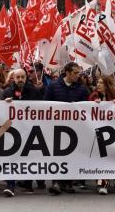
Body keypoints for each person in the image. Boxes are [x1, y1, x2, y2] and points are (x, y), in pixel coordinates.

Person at [44, 62, 88, 195]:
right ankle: (56, 182)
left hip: (74, 128)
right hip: (56, 127)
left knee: (72, 153)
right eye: (75, 73)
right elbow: (45, 104)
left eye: (79, 73)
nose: (78, 75)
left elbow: (85, 106)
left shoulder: (82, 88)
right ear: (67, 73)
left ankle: (68, 182)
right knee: (56, 154)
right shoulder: (53, 86)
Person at [1, 69, 44, 197]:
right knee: (11, 157)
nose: (20, 79)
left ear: (26, 77)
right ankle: (10, 185)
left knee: (29, 156)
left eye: (22, 77)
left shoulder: (34, 91)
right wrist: (5, 103)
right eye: (17, 77)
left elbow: (42, 108)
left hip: (29, 129)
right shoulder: (7, 92)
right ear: (13, 78)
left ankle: (28, 184)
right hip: (12, 130)